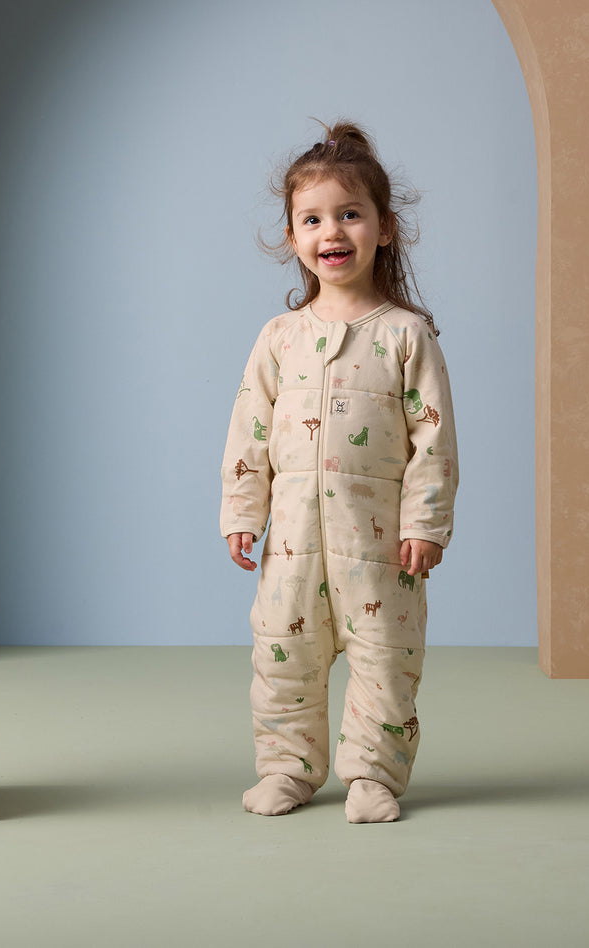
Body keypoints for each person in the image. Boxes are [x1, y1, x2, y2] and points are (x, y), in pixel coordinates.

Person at [220, 120, 458, 823]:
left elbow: (435, 440)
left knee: (386, 662)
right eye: (313, 218)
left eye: (350, 214)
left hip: (380, 548)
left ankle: (373, 777)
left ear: (385, 228)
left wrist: (425, 524)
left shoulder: (406, 335)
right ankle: (286, 769)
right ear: (292, 236)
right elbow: (249, 432)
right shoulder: (279, 339)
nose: (332, 231)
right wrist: (242, 512)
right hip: (291, 549)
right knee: (283, 659)